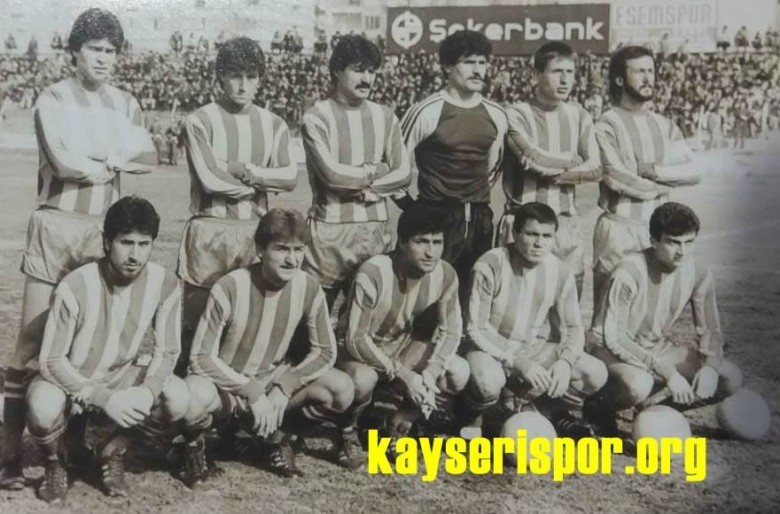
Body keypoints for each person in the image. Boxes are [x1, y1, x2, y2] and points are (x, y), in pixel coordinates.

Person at [1, 8, 152, 490]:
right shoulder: (53, 97)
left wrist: (110, 157)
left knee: (88, 339)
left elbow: (148, 155)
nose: (103, 58)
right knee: (31, 340)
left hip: (101, 230)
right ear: (74, 52)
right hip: (56, 224)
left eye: (111, 51)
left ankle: (72, 443)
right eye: (94, 49)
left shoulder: (125, 103)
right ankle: (8, 450)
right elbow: (64, 162)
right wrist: (110, 160)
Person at [26, 196, 189, 504]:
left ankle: (113, 450)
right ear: (106, 242)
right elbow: (51, 360)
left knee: (178, 398)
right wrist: (103, 398)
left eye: (144, 244)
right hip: (72, 379)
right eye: (126, 243)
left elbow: (168, 351)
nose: (135, 255)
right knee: (42, 406)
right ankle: (55, 461)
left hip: (120, 375)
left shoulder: (165, 283)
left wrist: (148, 391)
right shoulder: (75, 285)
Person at [179, 209, 353, 483]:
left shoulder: (308, 287)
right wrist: (250, 391)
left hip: (271, 382)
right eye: (282, 249)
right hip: (227, 386)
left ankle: (276, 435)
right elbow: (201, 358)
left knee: (340, 388)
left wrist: (284, 387)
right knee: (193, 397)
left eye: (298, 249)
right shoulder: (230, 286)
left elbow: (326, 351)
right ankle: (196, 448)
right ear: (260, 249)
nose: (292, 259)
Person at [177, 37, 297, 376]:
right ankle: (189, 394)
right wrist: (262, 180)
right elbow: (210, 181)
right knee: (197, 321)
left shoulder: (274, 124)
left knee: (248, 317)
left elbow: (290, 178)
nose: (243, 85)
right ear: (220, 77)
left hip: (254, 232)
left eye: (251, 76)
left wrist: (243, 170)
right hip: (209, 229)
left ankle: (236, 395)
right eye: (235, 76)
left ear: (260, 79)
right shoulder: (199, 120)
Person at [584, 203, 747, 436]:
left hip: (652, 348)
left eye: (689, 242)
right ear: (654, 241)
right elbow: (615, 338)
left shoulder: (698, 271)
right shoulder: (628, 271)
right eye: (673, 242)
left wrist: (710, 367)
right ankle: (597, 407)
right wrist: (668, 373)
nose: (682, 252)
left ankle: (652, 409)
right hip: (608, 349)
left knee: (729, 377)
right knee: (638, 384)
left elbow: (710, 329)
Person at [336, 201, 469, 465]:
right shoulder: (373, 272)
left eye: (437, 242)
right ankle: (347, 429)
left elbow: (452, 332)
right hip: (356, 352)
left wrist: (430, 372)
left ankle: (396, 422)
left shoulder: (446, 274)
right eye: (421, 242)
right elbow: (355, 338)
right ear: (402, 242)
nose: (431, 252)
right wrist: (403, 374)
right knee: (363, 380)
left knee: (457, 371)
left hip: (400, 349)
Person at [462, 203, 607, 438]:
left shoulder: (560, 271)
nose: (540, 243)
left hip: (531, 348)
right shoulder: (490, 265)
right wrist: (517, 361)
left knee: (594, 372)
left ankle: (540, 409)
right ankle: (473, 413)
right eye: (532, 234)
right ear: (515, 233)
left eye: (547, 236)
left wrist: (565, 362)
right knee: (487, 382)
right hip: (491, 349)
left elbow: (573, 328)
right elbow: (476, 328)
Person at [301, 34, 410, 309]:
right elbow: (332, 176)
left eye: (371, 71)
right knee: (313, 312)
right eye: (358, 70)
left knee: (366, 315)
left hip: (375, 229)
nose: (367, 79)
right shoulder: (317, 116)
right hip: (329, 231)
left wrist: (373, 190)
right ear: (337, 71)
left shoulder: (385, 116)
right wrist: (379, 170)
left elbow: (404, 173)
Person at [400, 30, 508, 305]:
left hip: (480, 218)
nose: (478, 70)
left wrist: (472, 196)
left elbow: (493, 166)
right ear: (448, 66)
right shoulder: (426, 111)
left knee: (473, 298)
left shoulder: (496, 114)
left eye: (482, 62)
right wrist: (413, 208)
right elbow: (394, 163)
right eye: (468, 62)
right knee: (427, 300)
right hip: (436, 215)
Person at [592, 45, 701, 309]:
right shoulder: (606, 123)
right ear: (620, 79)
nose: (647, 78)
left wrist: (652, 171)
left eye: (650, 71)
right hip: (620, 228)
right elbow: (616, 177)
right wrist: (663, 186)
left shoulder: (666, 125)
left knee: (650, 310)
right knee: (608, 311)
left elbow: (694, 171)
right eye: (639, 71)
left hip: (658, 233)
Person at [500, 42, 601, 297]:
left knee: (568, 309)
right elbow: (535, 162)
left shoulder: (579, 115)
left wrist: (560, 169)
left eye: (570, 72)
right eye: (557, 71)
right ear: (536, 75)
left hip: (566, 223)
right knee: (519, 308)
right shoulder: (515, 114)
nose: (565, 80)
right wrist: (575, 160)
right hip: (524, 222)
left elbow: (597, 168)